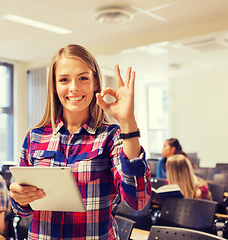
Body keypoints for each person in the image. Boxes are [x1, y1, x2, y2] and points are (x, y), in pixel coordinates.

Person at [9, 44, 151, 239]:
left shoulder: (111, 136)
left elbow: (138, 200)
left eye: (83, 78)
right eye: (64, 80)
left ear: (95, 84)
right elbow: (22, 210)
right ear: (55, 86)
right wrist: (20, 199)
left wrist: (128, 123)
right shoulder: (34, 136)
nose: (73, 87)